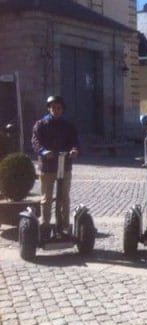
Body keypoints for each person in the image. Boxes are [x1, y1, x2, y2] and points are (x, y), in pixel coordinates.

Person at [31, 95, 80, 236]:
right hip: (47, 167)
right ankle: (45, 226)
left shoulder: (68, 125)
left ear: (62, 109)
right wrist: (43, 151)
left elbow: (75, 142)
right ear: (48, 108)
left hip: (64, 166)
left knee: (64, 197)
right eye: (53, 107)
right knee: (46, 198)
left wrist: (75, 150)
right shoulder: (41, 124)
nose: (56, 110)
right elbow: (35, 141)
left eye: (58, 108)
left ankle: (64, 226)